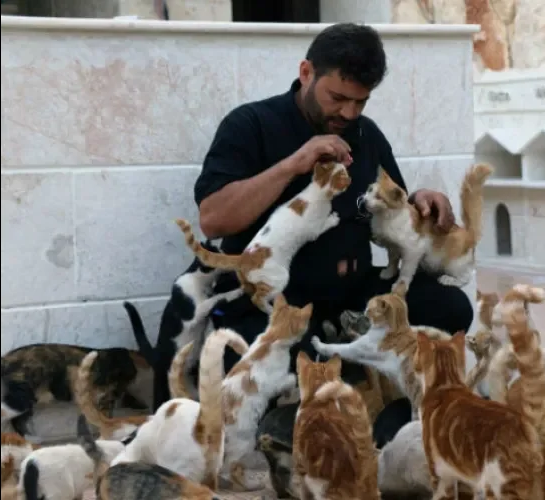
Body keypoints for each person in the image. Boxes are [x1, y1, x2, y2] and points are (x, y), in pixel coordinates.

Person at [193, 23, 473, 377]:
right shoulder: (252, 124)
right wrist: (293, 164)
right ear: (306, 73)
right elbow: (213, 218)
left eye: (361, 101)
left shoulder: (365, 134)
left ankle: (379, 380)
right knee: (293, 358)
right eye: (338, 99)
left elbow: (394, 207)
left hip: (353, 297)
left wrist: (420, 200)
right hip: (275, 299)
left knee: (449, 307)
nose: (349, 113)